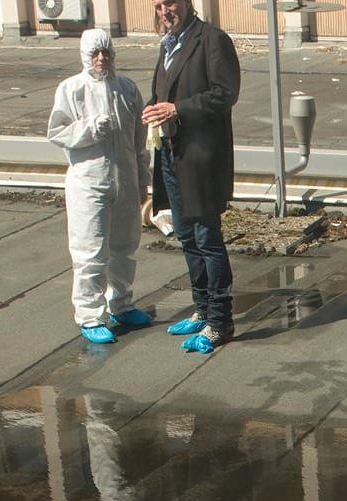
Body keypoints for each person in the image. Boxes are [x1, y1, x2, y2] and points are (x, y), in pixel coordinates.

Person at [142, 0, 239, 355]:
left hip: (201, 159)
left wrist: (177, 108)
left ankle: (221, 322)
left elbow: (226, 94)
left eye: (171, 3)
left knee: (206, 237)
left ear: (186, 3)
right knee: (185, 234)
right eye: (158, 5)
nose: (165, 11)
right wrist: (155, 107)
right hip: (171, 155)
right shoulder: (169, 43)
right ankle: (202, 308)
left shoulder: (212, 40)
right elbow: (164, 92)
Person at [48, 29, 152, 346]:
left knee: (124, 245)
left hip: (124, 178)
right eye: (95, 54)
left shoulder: (127, 89)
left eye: (106, 53)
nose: (101, 59)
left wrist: (143, 180)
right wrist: (89, 130)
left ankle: (121, 303)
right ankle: (90, 315)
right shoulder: (72, 89)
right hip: (89, 183)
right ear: (85, 56)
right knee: (90, 250)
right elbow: (57, 132)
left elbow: (140, 140)